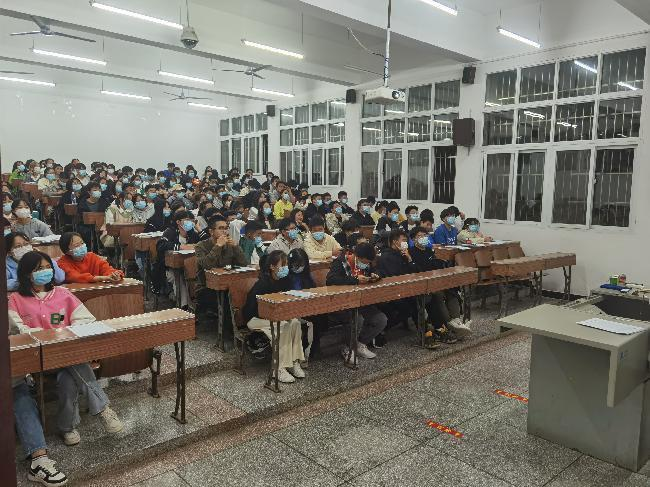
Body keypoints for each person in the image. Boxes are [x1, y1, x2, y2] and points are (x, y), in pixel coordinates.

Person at [8, 251, 123, 449]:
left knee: (68, 377)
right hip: (38, 359)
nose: (45, 271)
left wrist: (68, 333)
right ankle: (102, 408)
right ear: (27, 273)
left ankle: (67, 428)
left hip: (67, 355)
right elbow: (17, 330)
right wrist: (50, 336)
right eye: (39, 269)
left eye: (47, 267)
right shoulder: (16, 299)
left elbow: (84, 319)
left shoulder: (62, 294)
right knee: (74, 362)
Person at [242, 250, 305, 383]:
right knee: (284, 326)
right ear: (272, 266)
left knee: (295, 322)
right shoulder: (263, 283)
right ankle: (279, 368)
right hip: (255, 318)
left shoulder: (285, 281)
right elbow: (254, 309)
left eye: (287, 264)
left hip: (276, 316)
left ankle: (294, 362)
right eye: (283, 264)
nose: (286, 268)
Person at [326, 243, 388, 360]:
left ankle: (360, 343)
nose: (366, 265)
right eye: (364, 262)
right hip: (343, 303)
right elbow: (331, 280)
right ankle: (348, 348)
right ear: (357, 256)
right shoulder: (340, 262)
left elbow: (378, 271)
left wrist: (376, 275)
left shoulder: (367, 262)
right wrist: (354, 279)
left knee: (381, 319)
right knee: (358, 319)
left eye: (368, 263)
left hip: (361, 301)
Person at [409, 226, 465, 344]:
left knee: (452, 291)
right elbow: (417, 271)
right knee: (438, 295)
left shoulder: (430, 251)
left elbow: (436, 267)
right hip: (424, 285)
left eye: (425, 235)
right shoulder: (411, 252)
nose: (423, 238)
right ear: (413, 239)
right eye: (419, 236)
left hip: (436, 281)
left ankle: (456, 321)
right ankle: (447, 324)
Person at [195, 215, 248, 322]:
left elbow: (243, 263)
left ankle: (241, 324)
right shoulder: (201, 246)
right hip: (207, 287)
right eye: (220, 228)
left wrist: (236, 247)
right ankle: (230, 327)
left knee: (245, 293)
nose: (225, 231)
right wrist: (218, 246)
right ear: (211, 231)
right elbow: (206, 265)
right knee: (228, 300)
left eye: (226, 228)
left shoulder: (229, 245)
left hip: (228, 283)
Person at [156, 210, 207, 307]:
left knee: (197, 276)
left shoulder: (192, 233)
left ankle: (197, 302)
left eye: (192, 220)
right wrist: (179, 247)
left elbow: (207, 243)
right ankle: (184, 306)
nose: (190, 222)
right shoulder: (170, 232)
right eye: (187, 220)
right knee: (180, 277)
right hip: (169, 268)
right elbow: (160, 245)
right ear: (178, 222)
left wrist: (199, 229)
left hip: (190, 266)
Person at [375, 229, 419, 337]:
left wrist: (409, 259)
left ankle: (424, 330)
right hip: (390, 291)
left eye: (406, 240)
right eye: (403, 240)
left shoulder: (402, 254)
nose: (406, 243)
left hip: (403, 288)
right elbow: (396, 276)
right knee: (410, 307)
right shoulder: (387, 256)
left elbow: (415, 272)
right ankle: (382, 329)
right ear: (395, 242)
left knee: (417, 300)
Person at [57, 232, 124, 283]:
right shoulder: (62, 263)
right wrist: (101, 278)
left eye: (82, 243)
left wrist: (115, 275)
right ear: (67, 251)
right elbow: (75, 277)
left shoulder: (92, 257)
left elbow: (106, 268)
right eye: (77, 245)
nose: (81, 246)